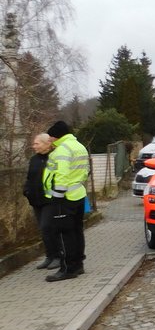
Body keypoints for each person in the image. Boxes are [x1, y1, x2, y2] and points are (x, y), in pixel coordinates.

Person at [43, 120, 90, 282]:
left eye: (50, 138)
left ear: (56, 137)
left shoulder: (62, 150)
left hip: (64, 198)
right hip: (78, 194)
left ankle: (67, 268)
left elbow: (61, 174)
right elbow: (85, 171)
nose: (49, 141)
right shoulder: (79, 146)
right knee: (77, 231)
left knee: (64, 234)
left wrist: (57, 195)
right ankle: (78, 264)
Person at [23, 133, 62, 270]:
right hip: (36, 200)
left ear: (47, 144)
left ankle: (58, 256)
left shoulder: (54, 158)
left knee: (48, 227)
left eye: (36, 143)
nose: (33, 146)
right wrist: (26, 191)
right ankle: (49, 256)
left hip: (50, 200)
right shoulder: (34, 159)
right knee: (43, 230)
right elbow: (29, 177)